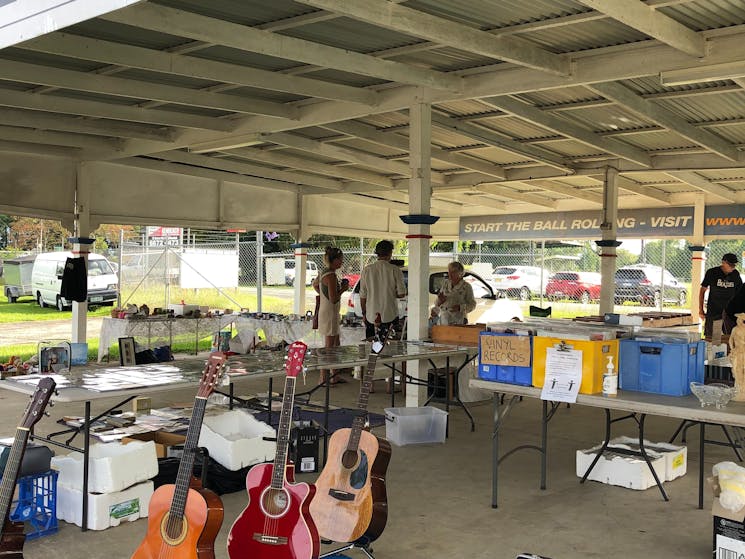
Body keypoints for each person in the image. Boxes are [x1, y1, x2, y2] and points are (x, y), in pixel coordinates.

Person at [314, 247, 350, 385]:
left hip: (328, 311)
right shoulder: (331, 276)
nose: (341, 263)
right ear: (334, 260)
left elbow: (315, 285)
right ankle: (323, 376)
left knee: (335, 344)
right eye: (340, 260)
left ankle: (334, 374)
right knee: (329, 347)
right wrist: (343, 289)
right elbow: (334, 298)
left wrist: (323, 294)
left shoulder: (324, 272)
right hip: (330, 313)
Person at [359, 240, 406, 339]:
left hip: (371, 315)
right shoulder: (395, 270)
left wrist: (364, 313)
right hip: (390, 314)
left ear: (377, 253)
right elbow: (402, 294)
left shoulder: (367, 270)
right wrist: (390, 293)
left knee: (372, 345)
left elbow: (363, 295)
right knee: (389, 346)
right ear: (390, 253)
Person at [700, 253, 742, 340]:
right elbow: (702, 290)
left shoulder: (735, 275)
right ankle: (713, 353)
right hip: (715, 311)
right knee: (715, 339)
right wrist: (700, 309)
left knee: (731, 338)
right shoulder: (712, 273)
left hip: (729, 312)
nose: (732, 267)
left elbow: (740, 293)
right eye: (730, 265)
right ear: (723, 262)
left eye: (734, 265)